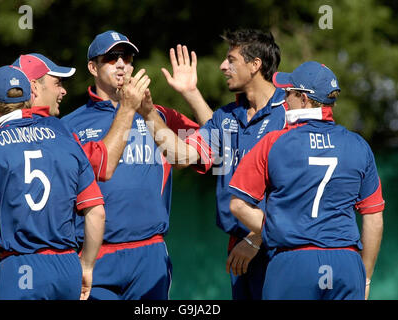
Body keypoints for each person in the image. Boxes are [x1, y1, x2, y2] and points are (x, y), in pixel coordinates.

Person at [139, 28, 286, 300]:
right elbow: (180, 156)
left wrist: (257, 237)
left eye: (231, 59)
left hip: (283, 248)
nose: (222, 66)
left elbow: (301, 192)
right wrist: (147, 112)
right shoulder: (226, 117)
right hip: (238, 248)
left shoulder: (290, 113)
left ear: (255, 65)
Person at [61, 30, 199, 300]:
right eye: (111, 57)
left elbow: (215, 148)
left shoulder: (157, 114)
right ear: (93, 67)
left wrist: (192, 93)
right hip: (94, 254)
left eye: (127, 56)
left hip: (149, 252)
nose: (122, 63)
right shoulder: (70, 125)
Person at [229, 61, 384, 300]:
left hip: (294, 262)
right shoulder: (359, 145)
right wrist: (365, 278)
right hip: (346, 263)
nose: (283, 99)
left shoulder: (273, 142)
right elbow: (373, 218)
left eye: (288, 92)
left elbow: (238, 205)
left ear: (304, 99)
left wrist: (277, 229)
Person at [0, 65, 106, 300]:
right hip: (66, 266)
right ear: (30, 98)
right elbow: (96, 211)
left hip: (19, 265)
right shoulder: (65, 137)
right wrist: (87, 265)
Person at [12, 53, 149, 182]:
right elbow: (102, 166)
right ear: (34, 87)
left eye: (126, 57)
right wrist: (127, 107)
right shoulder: (60, 135)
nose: (63, 90)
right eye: (57, 83)